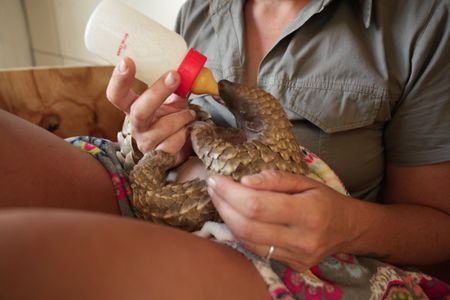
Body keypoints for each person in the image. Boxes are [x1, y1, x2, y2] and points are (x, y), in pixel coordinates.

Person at [0, 0, 449, 299]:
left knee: (21, 249)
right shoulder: (203, 7)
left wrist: (346, 226)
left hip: (298, 260)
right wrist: (147, 139)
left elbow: (439, 229)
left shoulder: (423, 22)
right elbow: (173, 126)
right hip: (164, 196)